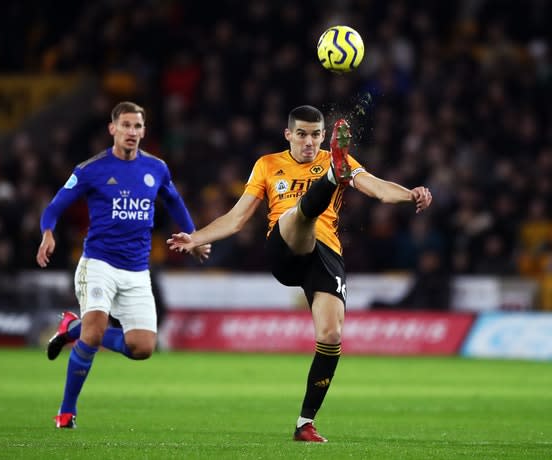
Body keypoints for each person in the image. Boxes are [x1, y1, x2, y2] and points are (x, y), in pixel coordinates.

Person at [167, 105, 432, 442]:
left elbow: (378, 188)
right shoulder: (267, 164)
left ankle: (305, 423)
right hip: (285, 246)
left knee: (331, 335)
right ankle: (330, 183)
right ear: (288, 134)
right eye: (302, 134)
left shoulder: (339, 159)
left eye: (316, 135)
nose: (309, 141)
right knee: (298, 215)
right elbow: (235, 219)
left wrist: (410, 194)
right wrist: (196, 237)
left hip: (326, 255)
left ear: (323, 137)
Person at [36, 101, 210, 429]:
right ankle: (66, 411)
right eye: (126, 126)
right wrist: (48, 232)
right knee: (96, 330)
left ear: (144, 131)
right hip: (98, 263)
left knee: (143, 347)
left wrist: (194, 238)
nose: (132, 132)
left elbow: (174, 200)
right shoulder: (90, 169)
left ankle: (72, 329)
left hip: (136, 271)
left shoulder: (156, 168)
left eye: (138, 127)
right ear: (112, 129)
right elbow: (55, 206)